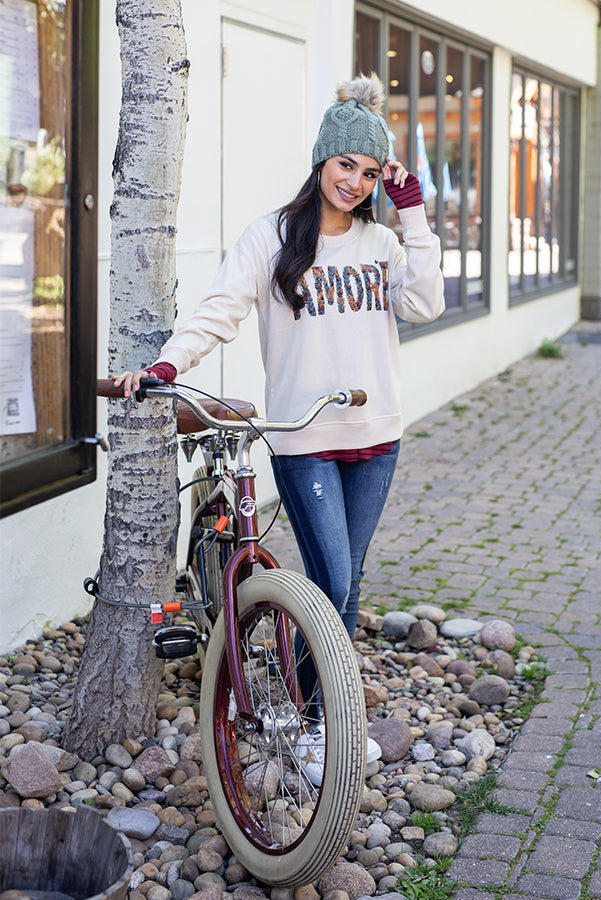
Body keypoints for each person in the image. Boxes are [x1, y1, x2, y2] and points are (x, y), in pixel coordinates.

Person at [114, 72, 445, 780]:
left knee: (345, 585)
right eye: (343, 165)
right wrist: (170, 365)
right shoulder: (271, 237)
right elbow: (219, 308)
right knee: (330, 582)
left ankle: (305, 709)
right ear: (322, 160)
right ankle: (313, 722)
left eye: (367, 170)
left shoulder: (383, 244)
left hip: (376, 435)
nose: (353, 182)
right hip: (303, 439)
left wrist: (414, 216)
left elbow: (425, 304)